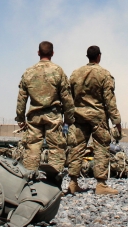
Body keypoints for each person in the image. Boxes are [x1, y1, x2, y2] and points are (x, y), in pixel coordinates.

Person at [67, 46, 122, 196]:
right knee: (102, 148)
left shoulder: (75, 74)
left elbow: (68, 96)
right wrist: (117, 121)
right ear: (99, 56)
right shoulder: (104, 74)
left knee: (76, 148)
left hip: (79, 116)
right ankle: (101, 185)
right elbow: (110, 101)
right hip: (98, 118)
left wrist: (68, 116)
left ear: (87, 56)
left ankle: (73, 183)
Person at [15, 41, 75, 181]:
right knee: (56, 148)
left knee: (32, 149)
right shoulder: (58, 71)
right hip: (53, 116)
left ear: (38, 53)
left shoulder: (29, 72)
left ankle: (29, 180)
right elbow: (67, 97)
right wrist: (69, 118)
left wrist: (20, 119)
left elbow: (21, 98)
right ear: (52, 53)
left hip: (34, 116)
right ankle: (53, 181)